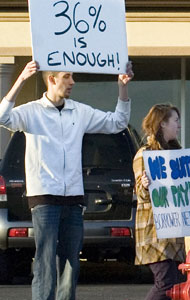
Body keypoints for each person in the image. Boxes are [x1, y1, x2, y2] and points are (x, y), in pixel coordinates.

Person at [0, 60, 134, 300]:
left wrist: (122, 87)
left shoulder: (79, 111)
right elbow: (3, 117)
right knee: (45, 257)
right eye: (67, 76)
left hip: (73, 198)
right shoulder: (32, 112)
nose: (72, 82)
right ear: (52, 79)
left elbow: (117, 123)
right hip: (44, 198)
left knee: (71, 261)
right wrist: (21, 79)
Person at [132, 104, 187, 300]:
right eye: (175, 121)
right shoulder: (144, 154)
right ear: (162, 123)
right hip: (154, 233)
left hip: (174, 235)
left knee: (178, 289)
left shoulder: (178, 155)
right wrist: (145, 185)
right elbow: (141, 193)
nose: (178, 126)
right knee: (165, 285)